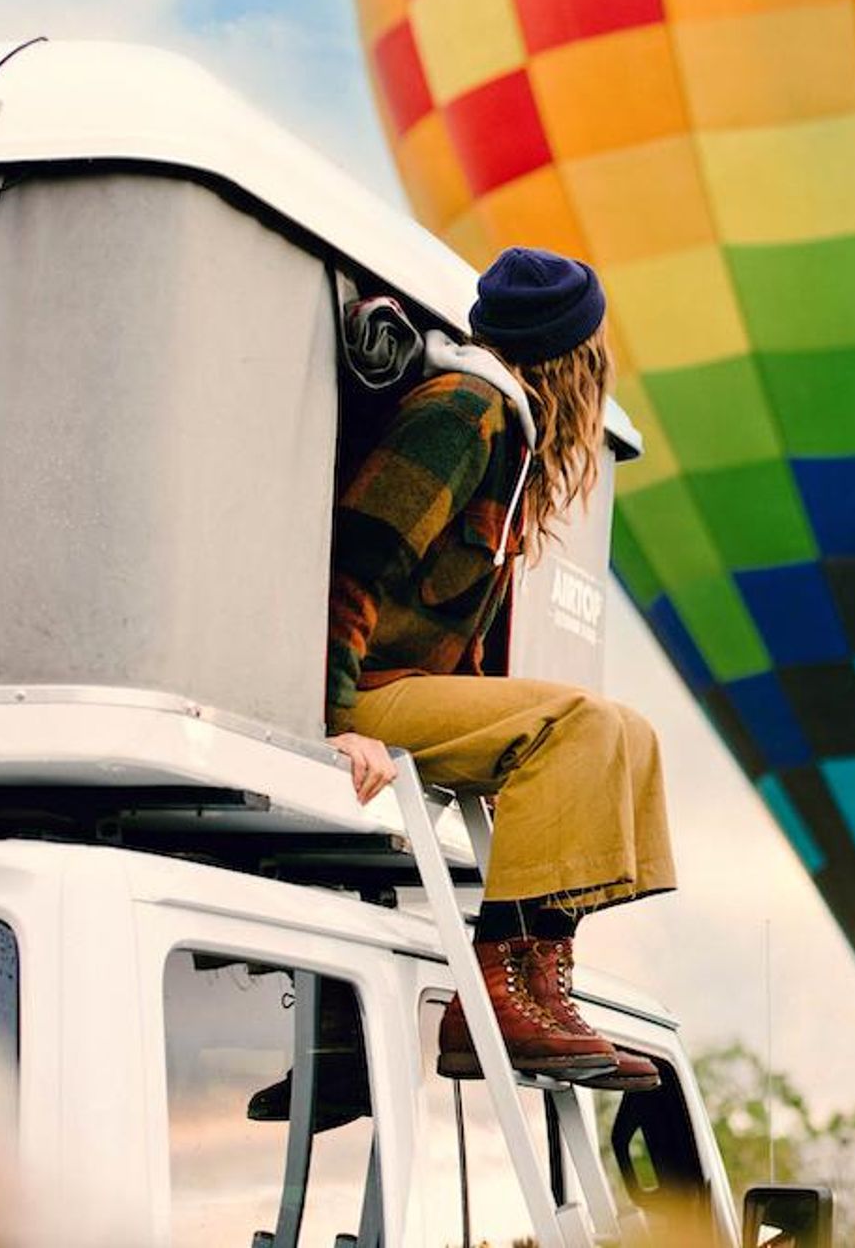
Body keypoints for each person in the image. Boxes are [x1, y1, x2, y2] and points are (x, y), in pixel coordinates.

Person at [327, 247, 674, 1093]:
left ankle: (540, 982)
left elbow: (456, 635)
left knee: (625, 728)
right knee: (582, 723)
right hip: (357, 693)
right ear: (577, 359)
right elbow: (355, 561)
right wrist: (335, 722)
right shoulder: (464, 411)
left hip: (397, 692)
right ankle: (498, 992)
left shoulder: (507, 433)